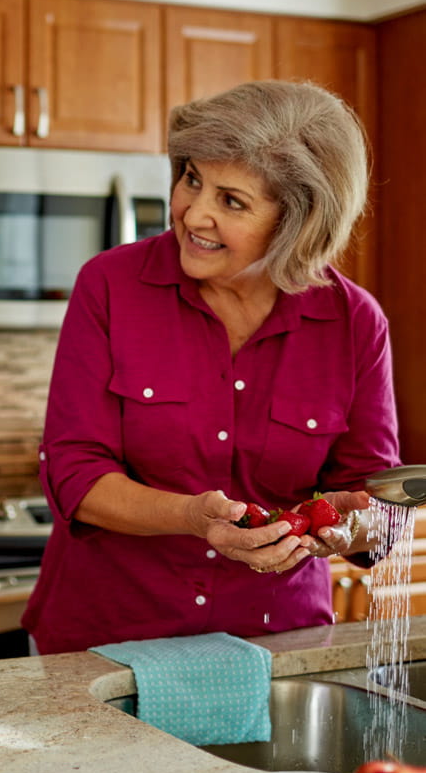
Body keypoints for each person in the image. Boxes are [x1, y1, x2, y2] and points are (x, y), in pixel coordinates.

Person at [22, 79, 400, 655]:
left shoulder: (353, 323)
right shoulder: (110, 285)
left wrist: (346, 528)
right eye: (192, 179)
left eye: (232, 201)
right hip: (107, 638)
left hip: (278, 642)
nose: (192, 213)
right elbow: (75, 475)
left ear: (296, 223)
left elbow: (375, 506)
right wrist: (195, 517)